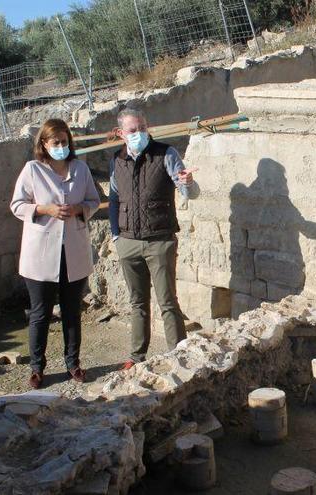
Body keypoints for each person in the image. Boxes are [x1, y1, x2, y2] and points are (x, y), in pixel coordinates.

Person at [10, 118, 100, 389]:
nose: (61, 146)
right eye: (55, 142)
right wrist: (44, 209)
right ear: (44, 144)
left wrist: (77, 209)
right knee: (41, 313)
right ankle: (37, 368)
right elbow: (17, 204)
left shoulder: (81, 169)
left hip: (72, 251)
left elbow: (93, 201)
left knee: (72, 311)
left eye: (64, 142)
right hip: (41, 253)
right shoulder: (33, 170)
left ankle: (73, 363)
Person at [108, 108, 195, 369]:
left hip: (159, 240)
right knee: (138, 303)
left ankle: (179, 354)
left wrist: (188, 182)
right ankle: (136, 356)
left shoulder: (166, 153)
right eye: (133, 130)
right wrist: (115, 236)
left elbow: (189, 191)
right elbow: (114, 199)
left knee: (167, 301)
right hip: (128, 241)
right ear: (121, 133)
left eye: (143, 128)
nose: (139, 134)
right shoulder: (117, 160)